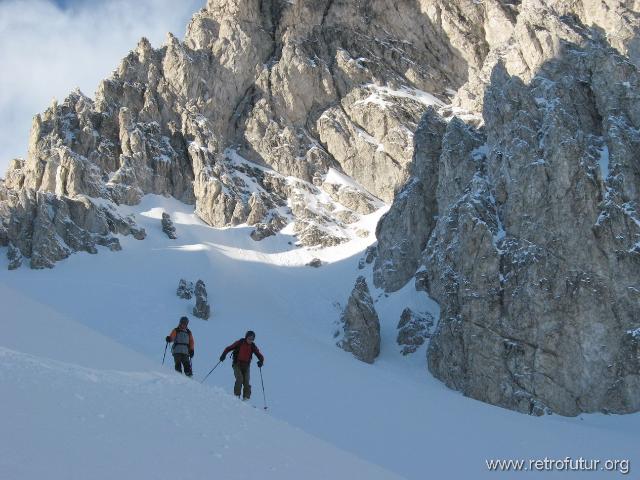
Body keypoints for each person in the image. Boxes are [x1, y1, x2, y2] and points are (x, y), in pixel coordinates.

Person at [219, 330, 264, 400]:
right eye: (249, 338)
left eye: (252, 339)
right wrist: (223, 355)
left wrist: (261, 361)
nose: (250, 340)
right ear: (246, 337)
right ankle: (236, 396)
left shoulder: (252, 346)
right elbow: (229, 348)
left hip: (246, 366)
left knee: (246, 381)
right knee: (239, 379)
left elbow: (259, 354)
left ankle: (246, 398)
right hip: (237, 364)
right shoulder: (240, 342)